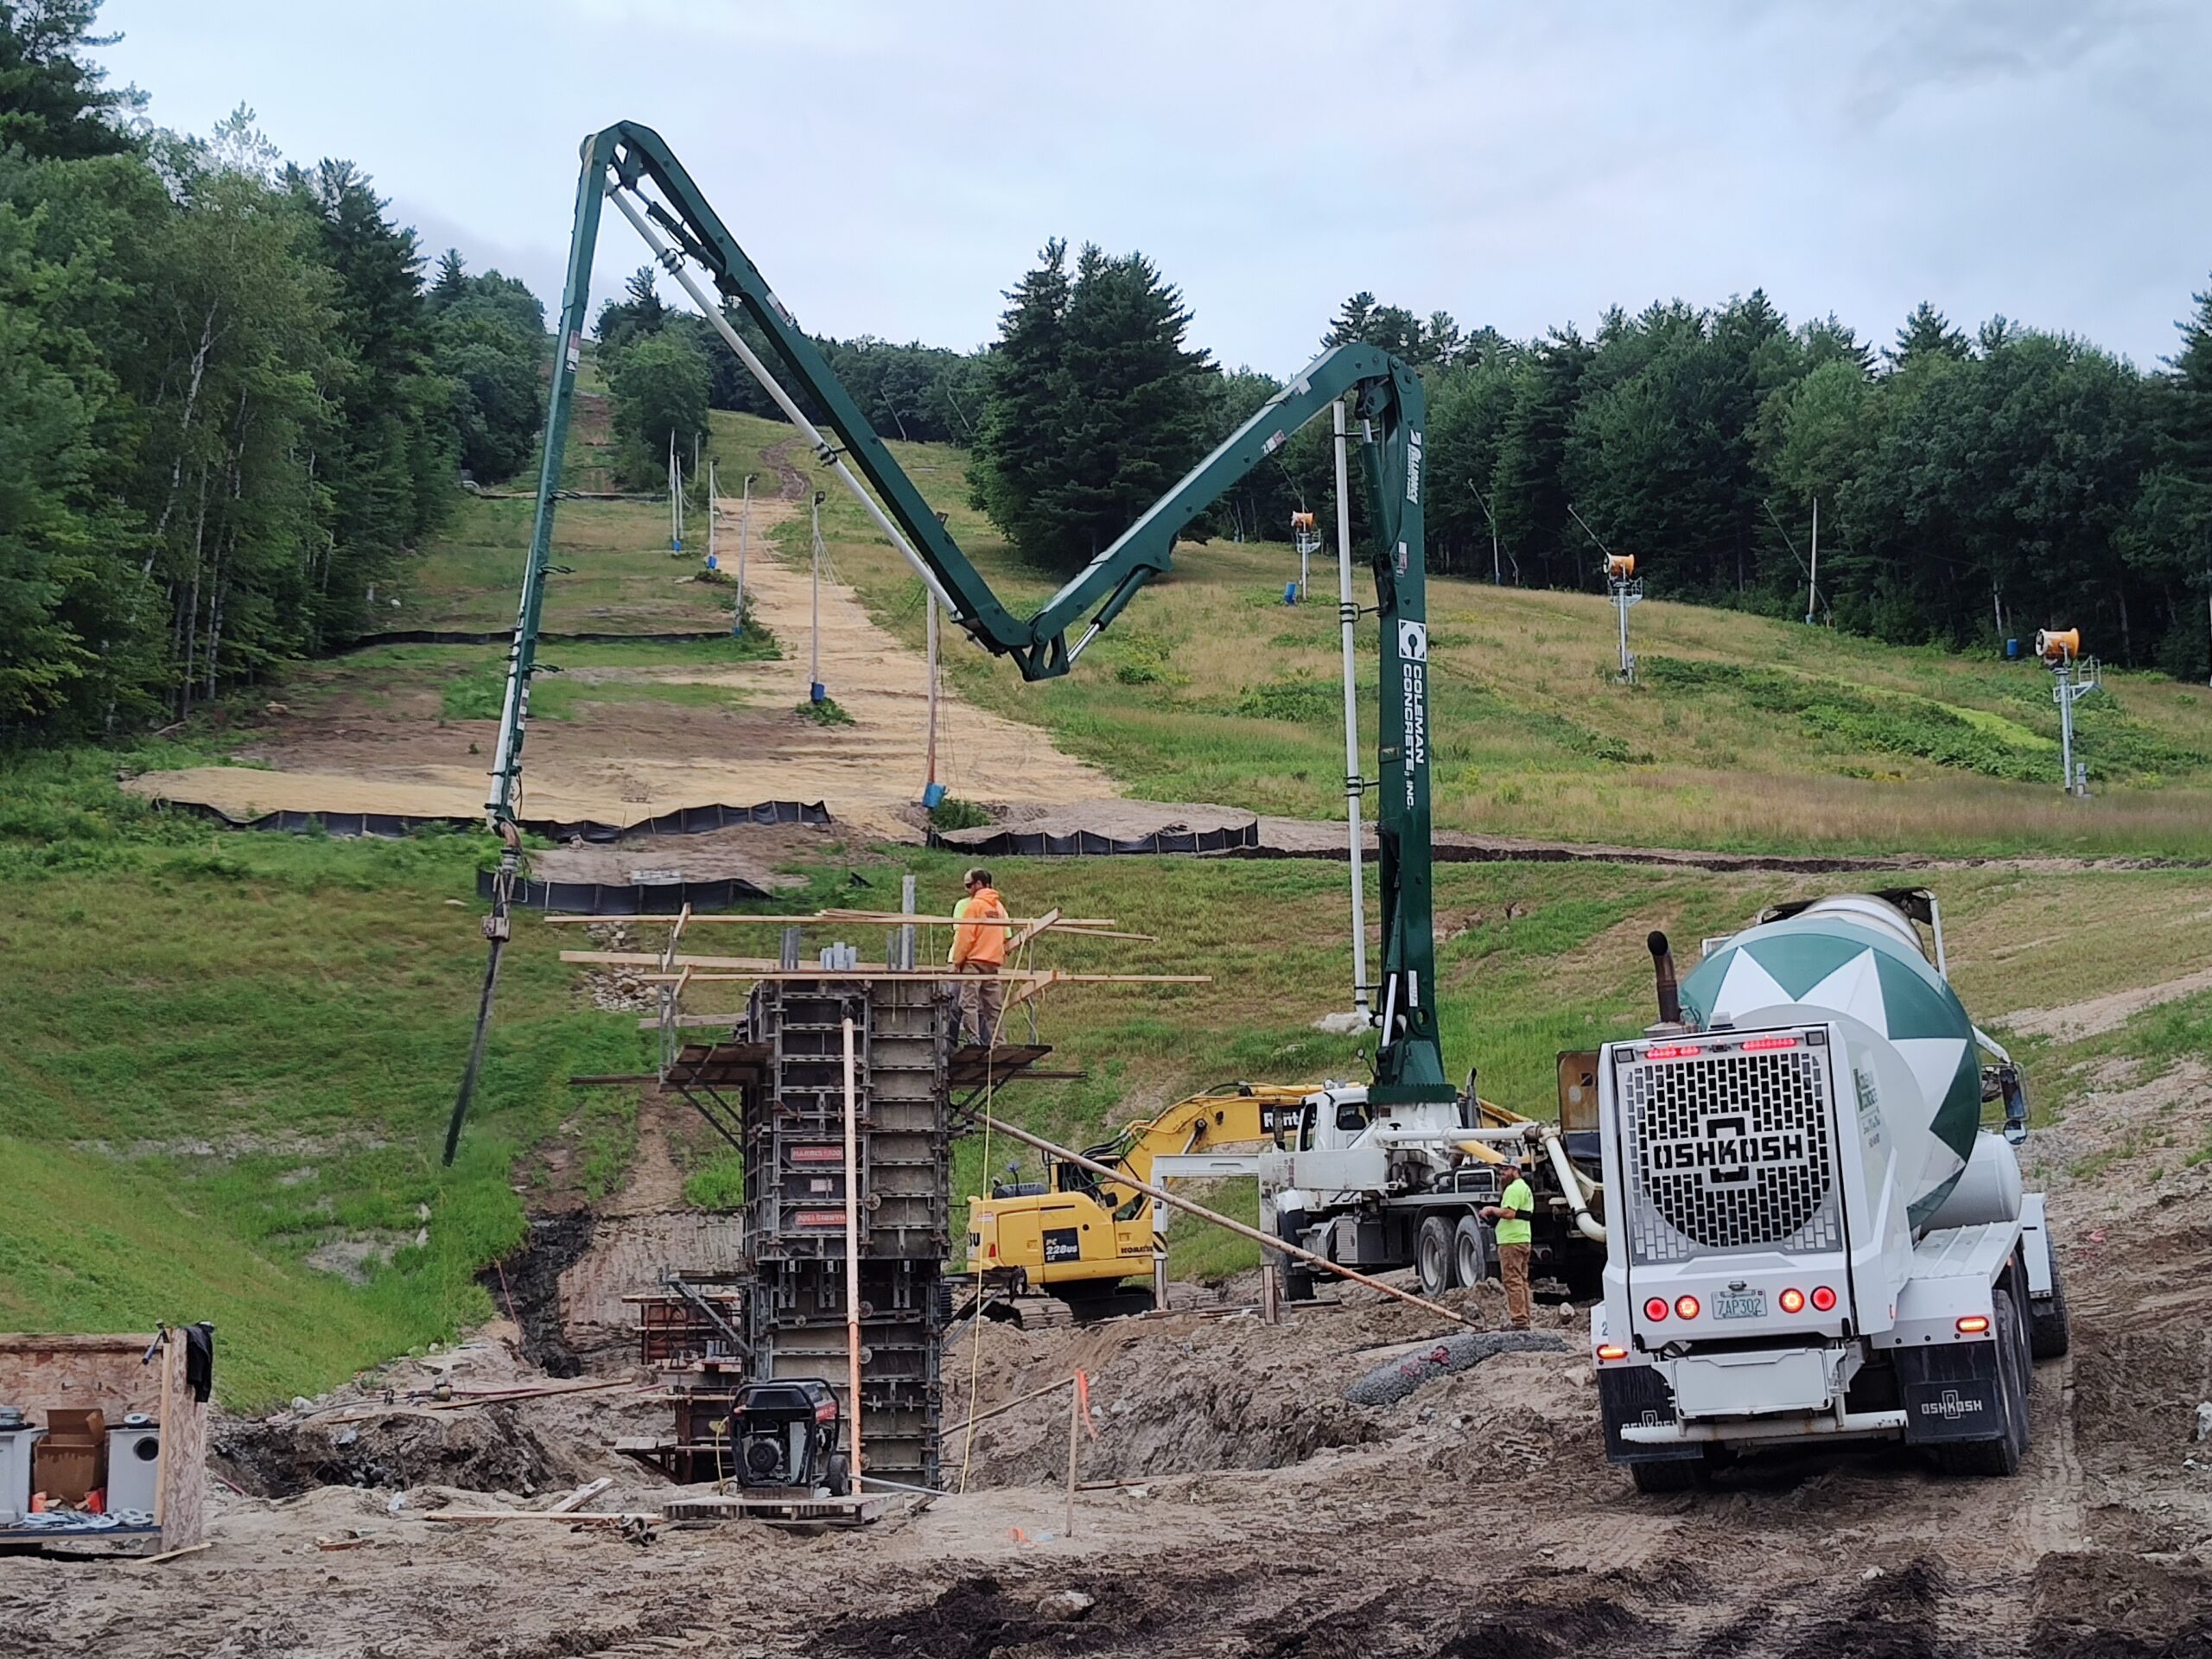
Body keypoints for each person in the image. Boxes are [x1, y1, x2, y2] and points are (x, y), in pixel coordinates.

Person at [949, 868, 1009, 1046]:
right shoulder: (998, 907)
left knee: (969, 1003)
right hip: (993, 963)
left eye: (969, 886)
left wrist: (957, 962)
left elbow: (965, 938)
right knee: (994, 1007)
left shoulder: (973, 905)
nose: (967, 890)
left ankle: (974, 1039)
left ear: (978, 884)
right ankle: (999, 1043)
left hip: (973, 962)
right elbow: (1007, 936)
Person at [1481, 1157, 1535, 1331]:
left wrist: (1491, 1209)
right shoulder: (1524, 1188)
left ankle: (1519, 1321)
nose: (1502, 1173)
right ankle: (1524, 1318)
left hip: (1511, 1240)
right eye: (1501, 1170)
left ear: (1515, 1170)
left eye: (1505, 1169)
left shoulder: (1513, 1189)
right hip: (1522, 1237)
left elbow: (1509, 1213)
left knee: (1512, 1281)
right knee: (1521, 1280)